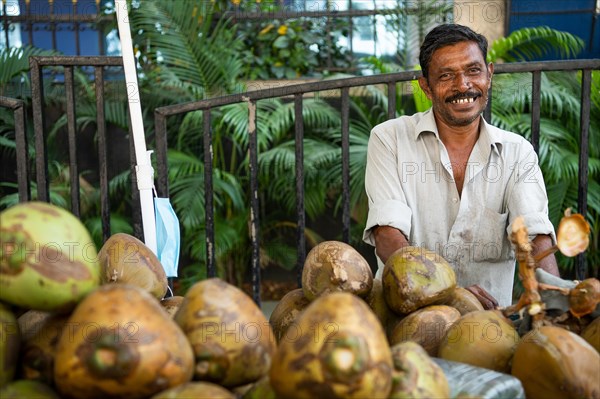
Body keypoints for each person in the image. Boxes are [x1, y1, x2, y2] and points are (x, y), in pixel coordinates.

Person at [362, 23, 559, 309]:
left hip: (489, 328)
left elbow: (535, 236)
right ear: (426, 87)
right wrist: (451, 291)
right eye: (446, 76)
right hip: (406, 317)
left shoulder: (518, 153)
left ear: (489, 75)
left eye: (473, 71)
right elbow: (387, 234)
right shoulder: (389, 139)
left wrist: (556, 299)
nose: (463, 85)